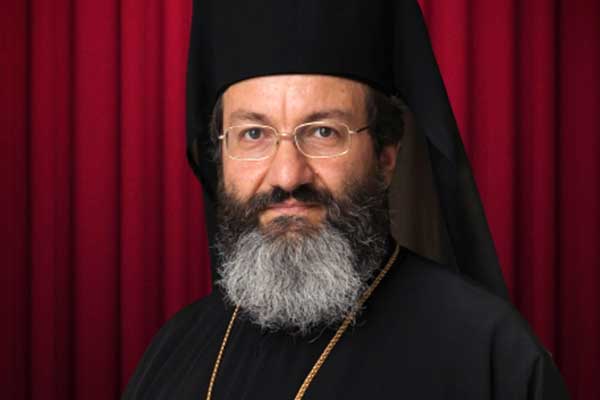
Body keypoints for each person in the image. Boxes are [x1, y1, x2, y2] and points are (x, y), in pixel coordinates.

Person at [123, 0, 570, 398]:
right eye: (253, 134)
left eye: (323, 132)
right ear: (220, 155)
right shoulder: (173, 352)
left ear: (385, 156)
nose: (287, 176)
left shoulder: (493, 360)